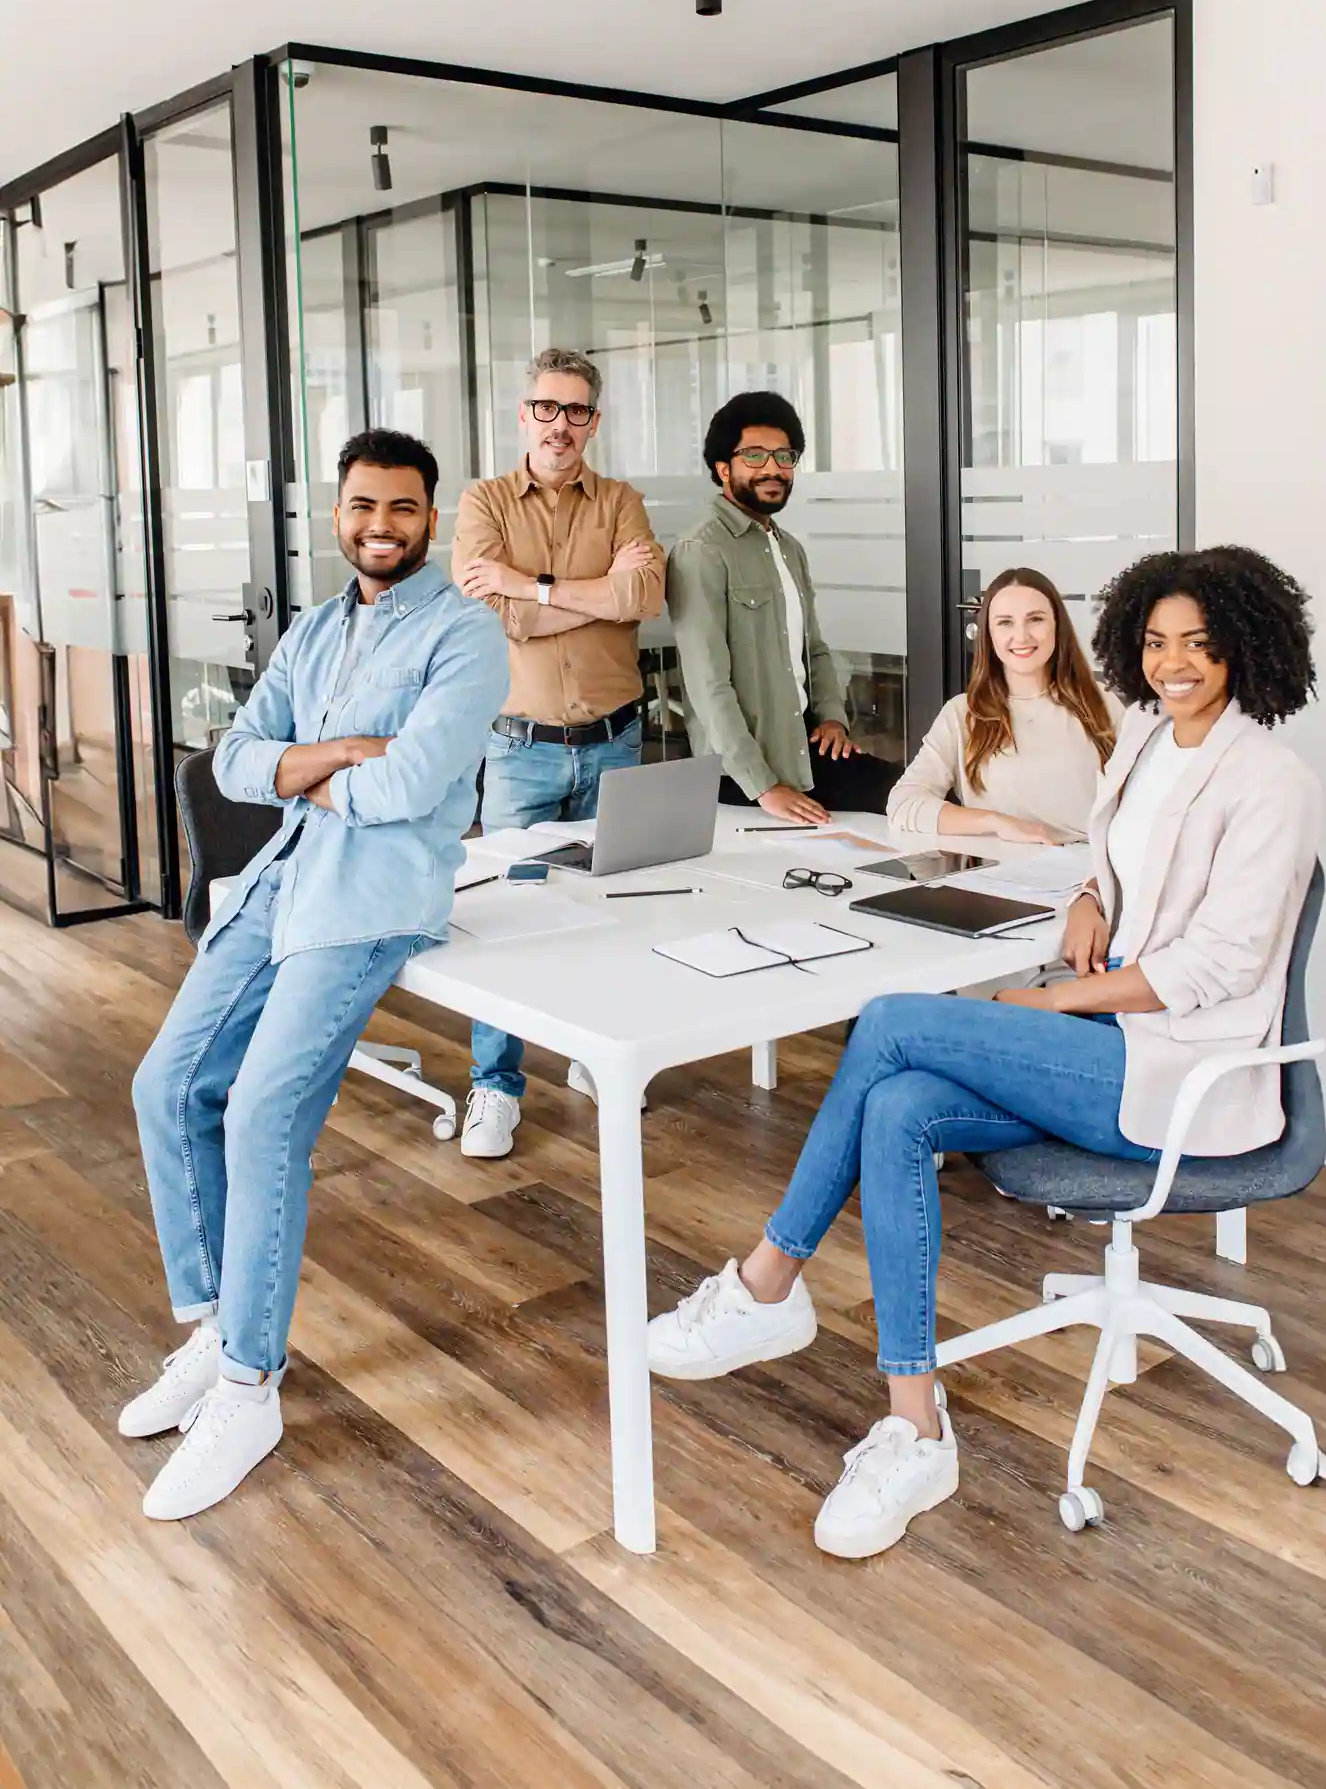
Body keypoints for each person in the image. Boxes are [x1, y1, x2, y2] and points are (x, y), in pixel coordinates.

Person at [647, 545, 1320, 1560]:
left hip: (1172, 1071)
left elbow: (1217, 967)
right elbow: (1105, 850)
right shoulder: (1141, 735)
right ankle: (913, 1426)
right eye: (1154, 641)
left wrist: (1051, 998)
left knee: (892, 1018)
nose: (1173, 661)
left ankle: (766, 1281)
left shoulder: (1271, 778)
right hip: (1105, 1038)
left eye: (1199, 643)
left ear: (1245, 650)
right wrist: (1092, 896)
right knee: (898, 1101)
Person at [125, 429, 508, 1521]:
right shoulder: (312, 628)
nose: (378, 526)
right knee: (166, 1087)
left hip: (372, 898)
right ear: (336, 516)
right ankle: (212, 1327)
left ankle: (251, 1386)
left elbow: (413, 787)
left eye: (400, 507)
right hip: (280, 880)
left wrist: (311, 769)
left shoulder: (466, 635)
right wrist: (338, 757)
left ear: (430, 516)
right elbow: (234, 762)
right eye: (360, 508)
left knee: (260, 1115)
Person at [452, 346, 665, 1156]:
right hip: (520, 748)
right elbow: (491, 613)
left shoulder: (620, 499)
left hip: (613, 739)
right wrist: (594, 598)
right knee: (504, 913)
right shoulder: (485, 502)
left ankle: (594, 1052)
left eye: (577, 410)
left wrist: (534, 588)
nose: (561, 424)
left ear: (594, 421)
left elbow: (644, 595)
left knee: (608, 905)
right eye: (548, 407)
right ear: (524, 414)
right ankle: (495, 1085)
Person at [667, 390, 896, 823]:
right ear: (723, 468)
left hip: (804, 748)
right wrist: (764, 787)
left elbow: (816, 649)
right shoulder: (702, 550)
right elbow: (707, 685)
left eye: (784, 456)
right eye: (754, 456)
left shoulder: (787, 548)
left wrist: (833, 720)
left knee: (915, 798)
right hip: (740, 773)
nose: (773, 468)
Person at [887, 566, 1119, 843]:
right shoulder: (963, 714)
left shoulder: (1101, 703)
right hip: (997, 877)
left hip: (1086, 877)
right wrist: (996, 823)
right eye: (1005, 622)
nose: (1021, 636)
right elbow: (903, 804)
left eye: (1035, 619)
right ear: (989, 633)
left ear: (1058, 625)